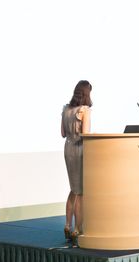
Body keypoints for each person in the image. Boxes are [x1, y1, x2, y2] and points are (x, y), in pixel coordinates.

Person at [61, 80, 92, 244]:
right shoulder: (84, 110)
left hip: (67, 148)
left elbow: (62, 133)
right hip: (79, 149)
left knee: (73, 189)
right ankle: (78, 229)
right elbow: (85, 134)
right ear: (86, 94)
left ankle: (67, 225)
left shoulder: (66, 109)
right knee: (80, 191)